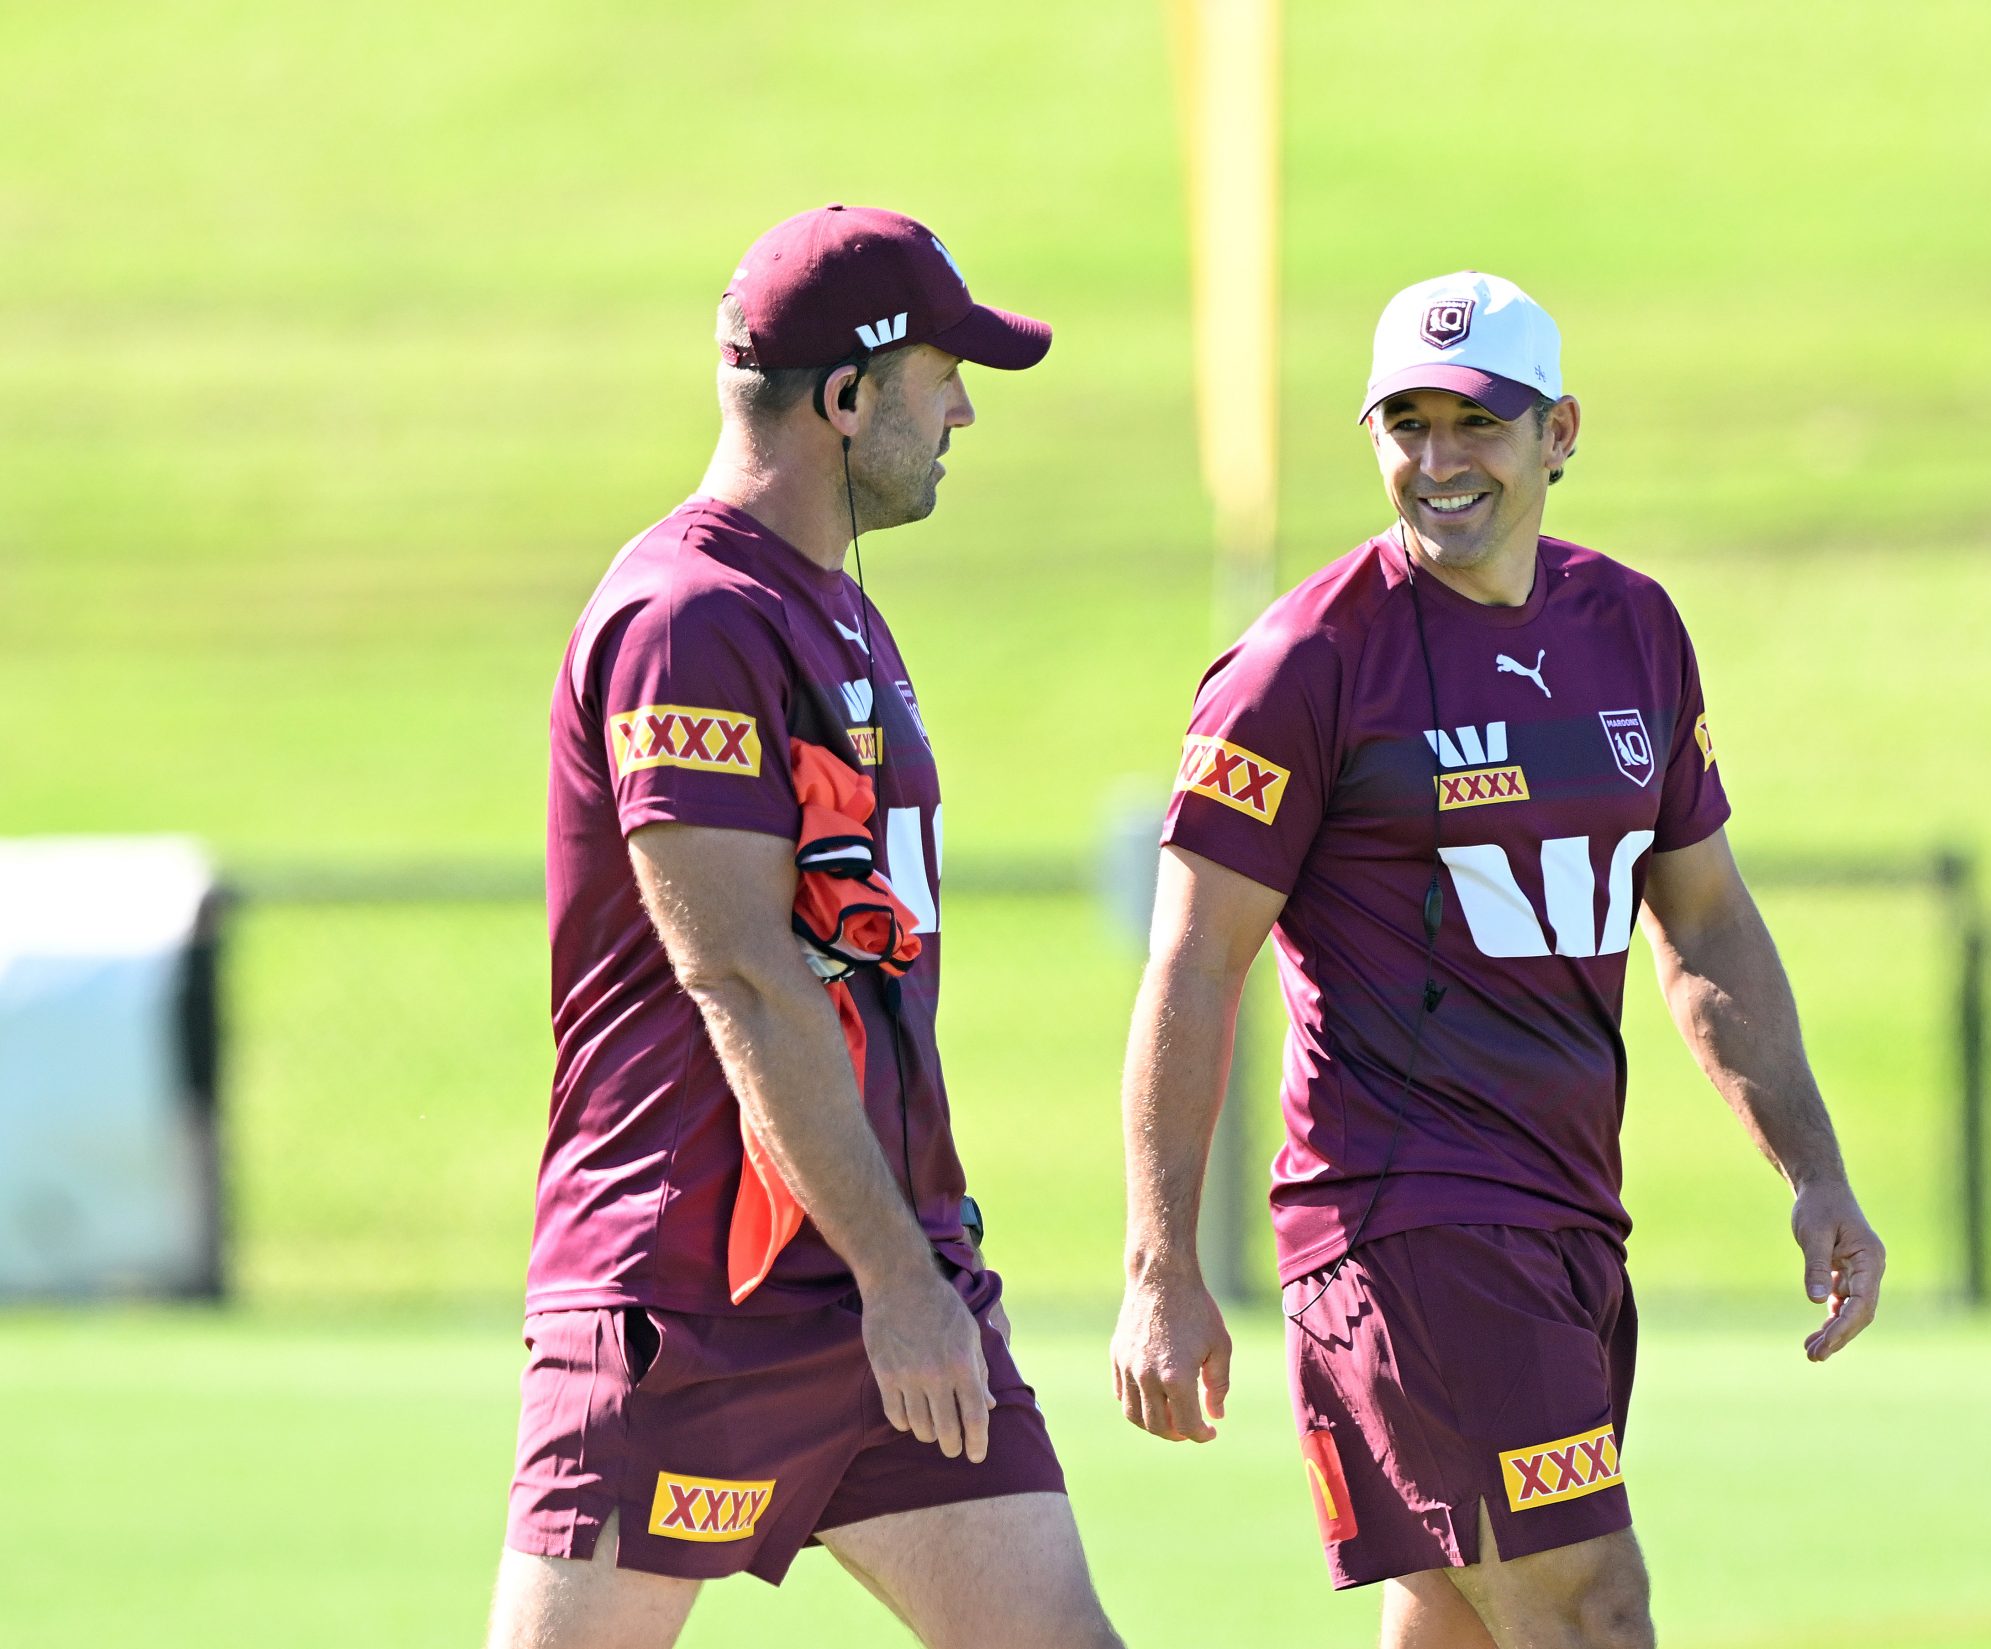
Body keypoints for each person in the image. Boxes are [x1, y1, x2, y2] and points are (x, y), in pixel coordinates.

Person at [1110, 272, 1886, 1648]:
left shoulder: (1632, 629)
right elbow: (1193, 960)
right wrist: (1161, 1261)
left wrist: (1814, 1167)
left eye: (1476, 422)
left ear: (1558, 433)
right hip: (1409, 1226)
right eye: (1405, 423)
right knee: (1591, 1605)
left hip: (1570, 1218)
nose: (1438, 459)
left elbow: (1703, 922)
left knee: (1457, 1622)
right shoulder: (1304, 661)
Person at [488, 205, 1122, 1649]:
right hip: (699, 1288)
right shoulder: (686, 615)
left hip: (881, 1268)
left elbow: (853, 964)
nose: (964, 409)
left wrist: (924, 1253)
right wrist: (904, 1279)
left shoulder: (837, 610)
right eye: (943, 375)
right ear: (845, 398)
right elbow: (743, 978)